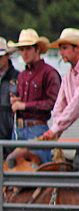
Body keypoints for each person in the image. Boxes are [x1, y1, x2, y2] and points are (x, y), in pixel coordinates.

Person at [8, 29, 61, 164]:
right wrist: (16, 102)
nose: (24, 53)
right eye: (21, 49)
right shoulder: (22, 75)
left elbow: (52, 103)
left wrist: (23, 105)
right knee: (17, 172)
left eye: (28, 49)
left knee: (38, 172)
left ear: (37, 49)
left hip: (37, 129)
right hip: (19, 129)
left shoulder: (49, 73)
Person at [41, 28, 79, 170]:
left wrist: (54, 130)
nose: (61, 52)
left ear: (77, 49)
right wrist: (55, 131)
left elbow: (75, 105)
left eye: (64, 48)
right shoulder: (69, 75)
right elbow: (60, 104)